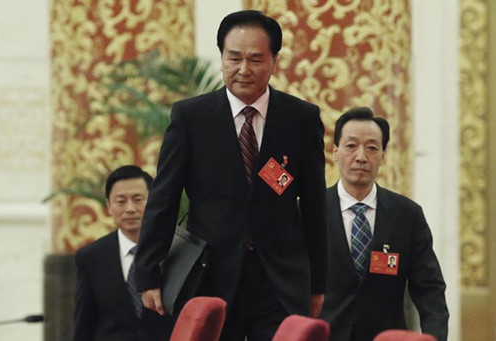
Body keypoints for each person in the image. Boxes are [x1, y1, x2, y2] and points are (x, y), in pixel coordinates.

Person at [134, 10, 327, 340]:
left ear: (274, 61)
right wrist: (148, 273)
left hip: (279, 280)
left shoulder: (301, 119)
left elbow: (313, 208)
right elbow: (163, 200)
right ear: (221, 57)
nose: (243, 70)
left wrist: (318, 284)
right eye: (234, 58)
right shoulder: (191, 118)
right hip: (211, 275)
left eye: (255, 59)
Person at [320, 107, 449, 340]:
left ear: (382, 156)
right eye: (351, 146)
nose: (361, 157)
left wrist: (435, 336)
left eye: (371, 148)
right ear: (335, 151)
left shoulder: (407, 215)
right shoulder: (309, 211)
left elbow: (430, 289)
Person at [73, 165, 175, 341]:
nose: (130, 209)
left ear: (152, 202)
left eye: (137, 199)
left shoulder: (174, 250)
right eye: (121, 201)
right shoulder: (90, 257)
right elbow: (85, 322)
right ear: (109, 206)